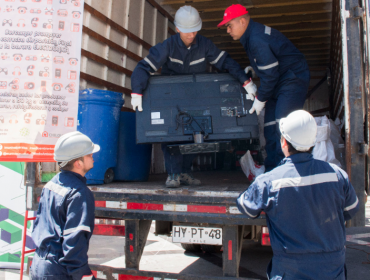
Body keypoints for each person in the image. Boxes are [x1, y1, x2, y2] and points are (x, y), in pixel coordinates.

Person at [131, 5, 255, 188]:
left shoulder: (204, 45)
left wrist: (245, 81)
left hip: (196, 97)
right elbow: (143, 68)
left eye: (195, 30)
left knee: (195, 133)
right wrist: (136, 92)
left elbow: (226, 62)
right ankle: (173, 174)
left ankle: (185, 173)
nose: (192, 35)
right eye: (188, 31)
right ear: (178, 29)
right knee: (171, 135)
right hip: (172, 97)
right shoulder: (168, 46)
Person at [236, 110, 359, 280]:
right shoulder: (337, 175)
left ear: (283, 142)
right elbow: (351, 209)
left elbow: (246, 207)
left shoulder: (268, 181)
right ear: (313, 142)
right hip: (331, 268)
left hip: (290, 268)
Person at [218, 4, 311, 172]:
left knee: (283, 126)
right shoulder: (252, 35)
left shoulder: (256, 39)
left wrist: (260, 100)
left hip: (291, 80)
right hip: (279, 81)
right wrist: (258, 68)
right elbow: (271, 66)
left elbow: (270, 75)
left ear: (242, 21)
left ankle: (287, 171)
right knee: (269, 126)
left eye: (229, 25)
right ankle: (272, 170)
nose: (228, 30)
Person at [31, 131, 100, 280]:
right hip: (59, 271)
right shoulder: (79, 193)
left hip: (39, 265)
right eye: (89, 154)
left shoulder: (51, 185)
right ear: (78, 163)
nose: (92, 156)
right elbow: (74, 241)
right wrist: (84, 275)